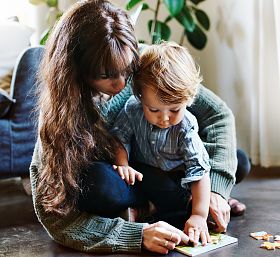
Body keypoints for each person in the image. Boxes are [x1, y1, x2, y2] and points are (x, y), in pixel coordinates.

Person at [29, 0, 248, 254]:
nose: (122, 82)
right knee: (97, 184)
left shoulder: (146, 63)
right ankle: (162, 206)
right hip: (126, 176)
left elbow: (218, 115)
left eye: (127, 70)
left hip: (170, 163)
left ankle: (176, 203)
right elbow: (55, 217)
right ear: (76, 70)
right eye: (106, 75)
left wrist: (217, 191)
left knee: (237, 161)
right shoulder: (60, 110)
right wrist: (136, 235)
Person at [111, 41, 211, 245]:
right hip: (145, 174)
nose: (164, 118)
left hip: (177, 178)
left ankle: (192, 207)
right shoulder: (132, 109)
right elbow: (119, 137)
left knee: (236, 164)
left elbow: (198, 172)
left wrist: (199, 215)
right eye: (154, 110)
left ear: (188, 99)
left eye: (174, 110)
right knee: (139, 179)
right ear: (140, 97)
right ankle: (156, 207)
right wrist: (123, 164)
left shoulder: (186, 126)